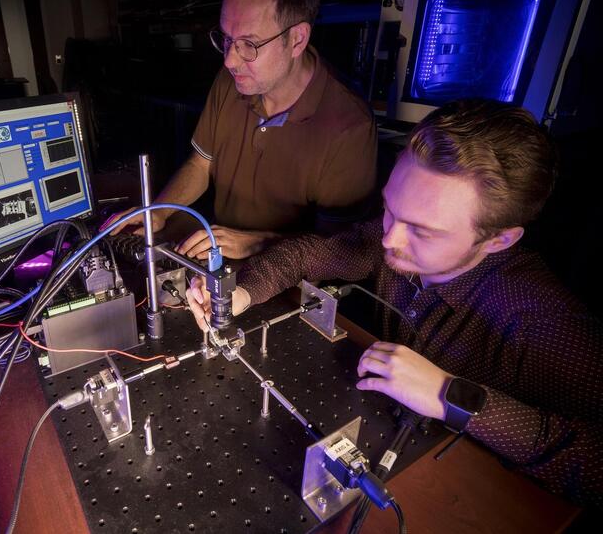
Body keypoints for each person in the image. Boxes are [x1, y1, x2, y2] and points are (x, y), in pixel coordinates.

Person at [186, 99, 603, 507]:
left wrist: (448, 394)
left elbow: (593, 464)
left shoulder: (546, 320)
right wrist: (239, 295)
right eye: (390, 210)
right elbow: (308, 254)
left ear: (500, 239)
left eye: (423, 231)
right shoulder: (392, 240)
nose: (389, 238)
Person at [105, 0, 376, 259]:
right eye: (226, 38)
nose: (229, 60)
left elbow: (338, 250)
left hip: (289, 283)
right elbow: (201, 164)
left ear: (297, 39)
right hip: (221, 260)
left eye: (249, 44)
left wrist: (259, 243)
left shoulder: (350, 127)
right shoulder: (231, 80)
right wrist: (160, 211)